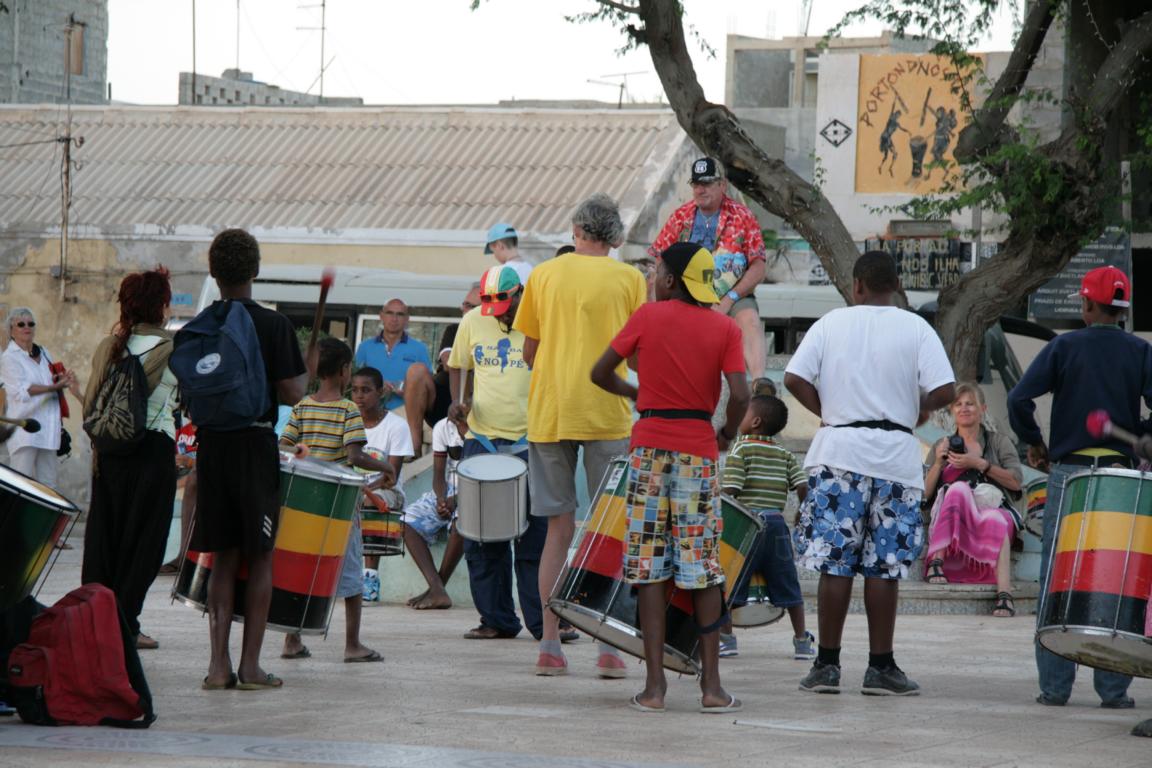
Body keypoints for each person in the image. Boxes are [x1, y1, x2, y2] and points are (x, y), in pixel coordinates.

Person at [784, 251, 955, 697]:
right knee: (884, 566)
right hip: (896, 457)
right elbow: (946, 389)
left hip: (839, 453)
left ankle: (826, 666)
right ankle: (880, 668)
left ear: (857, 285)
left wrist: (829, 412)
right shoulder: (916, 328)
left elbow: (794, 378)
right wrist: (917, 408)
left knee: (835, 563)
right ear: (896, 286)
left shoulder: (831, 323)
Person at [590, 241, 747, 713]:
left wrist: (635, 393)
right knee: (702, 568)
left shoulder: (647, 317)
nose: (652, 280)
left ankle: (654, 688)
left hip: (648, 450)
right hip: (698, 451)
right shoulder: (725, 327)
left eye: (656, 273)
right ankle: (712, 688)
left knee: (648, 567)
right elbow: (741, 393)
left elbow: (599, 372)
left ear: (672, 280)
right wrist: (727, 431)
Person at [514, 192, 645, 678]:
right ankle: (608, 648)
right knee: (608, 530)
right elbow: (636, 353)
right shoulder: (630, 279)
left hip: (550, 412)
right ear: (615, 236)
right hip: (607, 412)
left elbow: (529, 353)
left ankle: (549, 645)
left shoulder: (544, 275)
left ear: (576, 230)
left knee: (557, 531)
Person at [1008, 265, 1151, 710]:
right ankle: (1114, 690)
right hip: (1118, 479)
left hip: (1070, 475)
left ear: (1087, 304)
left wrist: (1035, 443)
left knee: (1058, 574)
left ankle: (1055, 688)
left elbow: (1018, 399)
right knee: (1115, 579)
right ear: (1122, 310)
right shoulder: (1140, 351)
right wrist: (1144, 433)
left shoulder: (1063, 346)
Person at [194, 228, 307, 692]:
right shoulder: (273, 325)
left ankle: (217, 667)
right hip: (255, 446)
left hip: (212, 446)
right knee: (260, 557)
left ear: (214, 271)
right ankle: (252, 668)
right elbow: (294, 393)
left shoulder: (202, 324)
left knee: (222, 557)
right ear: (255, 270)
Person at [278, 337, 396, 663]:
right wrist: (386, 466)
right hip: (338, 507)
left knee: (304, 570)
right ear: (345, 371)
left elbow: (285, 447)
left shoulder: (302, 406)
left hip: (303, 506)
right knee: (352, 575)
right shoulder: (348, 410)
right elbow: (355, 455)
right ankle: (352, 645)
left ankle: (292, 640)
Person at [447, 264, 547, 641]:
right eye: (493, 308)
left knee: (535, 538)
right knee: (481, 537)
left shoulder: (541, 321)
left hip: (531, 440)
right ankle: (496, 619)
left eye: (505, 307)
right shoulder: (473, 320)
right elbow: (459, 365)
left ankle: (544, 624)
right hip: (483, 439)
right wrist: (458, 403)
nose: (499, 315)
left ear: (520, 294)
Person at [80, 267, 178, 650]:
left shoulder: (110, 346)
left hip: (110, 454)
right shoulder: (172, 349)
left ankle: (98, 623)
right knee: (144, 544)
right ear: (161, 306)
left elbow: (91, 405)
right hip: (153, 452)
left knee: (106, 540)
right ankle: (126, 625)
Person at [647, 157, 768, 379]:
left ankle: (760, 384)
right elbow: (659, 258)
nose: (700, 190)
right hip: (688, 295)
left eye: (706, 183)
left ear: (722, 185)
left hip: (732, 293)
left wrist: (730, 298)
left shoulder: (743, 216)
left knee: (749, 319)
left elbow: (759, 267)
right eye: (696, 184)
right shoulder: (681, 216)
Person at [721, 394, 815, 660]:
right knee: (788, 583)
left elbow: (731, 490)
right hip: (776, 525)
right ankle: (801, 641)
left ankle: (727, 640)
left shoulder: (740, 449)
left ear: (755, 422)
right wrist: (801, 511)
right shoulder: (784, 454)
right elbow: (803, 486)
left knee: (728, 583)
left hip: (747, 526)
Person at [923, 383, 1023, 617]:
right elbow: (925, 494)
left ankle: (1004, 595)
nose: (964, 408)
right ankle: (936, 562)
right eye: (958, 404)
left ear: (982, 409)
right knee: (958, 489)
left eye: (970, 404)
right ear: (952, 411)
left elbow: (1016, 482)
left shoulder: (998, 442)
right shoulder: (942, 445)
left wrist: (980, 464)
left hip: (991, 509)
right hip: (956, 521)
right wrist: (938, 463)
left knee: (997, 520)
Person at [350, 366, 415, 604]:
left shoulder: (396, 426)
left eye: (366, 390)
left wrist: (364, 490)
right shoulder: (348, 422)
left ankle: (370, 577)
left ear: (380, 392)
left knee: (368, 501)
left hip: (387, 491)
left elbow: (391, 476)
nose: (359, 396)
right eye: (355, 390)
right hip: (355, 488)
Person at [0, 307, 82, 488]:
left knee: (49, 485)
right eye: (21, 324)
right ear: (11, 331)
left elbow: (50, 381)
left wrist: (61, 378)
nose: (27, 327)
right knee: (21, 484)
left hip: (49, 429)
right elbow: (21, 392)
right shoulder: (9, 358)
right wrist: (54, 387)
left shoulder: (44, 353)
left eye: (31, 324)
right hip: (26, 430)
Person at [399, 413, 467, 609]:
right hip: (447, 490)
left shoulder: (486, 428)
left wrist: (457, 500)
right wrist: (441, 500)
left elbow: (487, 477)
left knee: (462, 524)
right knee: (407, 520)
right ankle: (437, 589)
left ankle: (437, 589)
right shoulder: (442, 427)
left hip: (479, 491)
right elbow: (438, 474)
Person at [353, 299, 433, 455]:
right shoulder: (365, 347)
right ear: (381, 316)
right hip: (371, 412)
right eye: (390, 313)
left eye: (400, 314)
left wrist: (410, 391)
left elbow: (427, 387)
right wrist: (376, 387)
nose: (394, 318)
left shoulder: (419, 349)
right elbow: (354, 382)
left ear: (407, 319)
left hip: (406, 413)